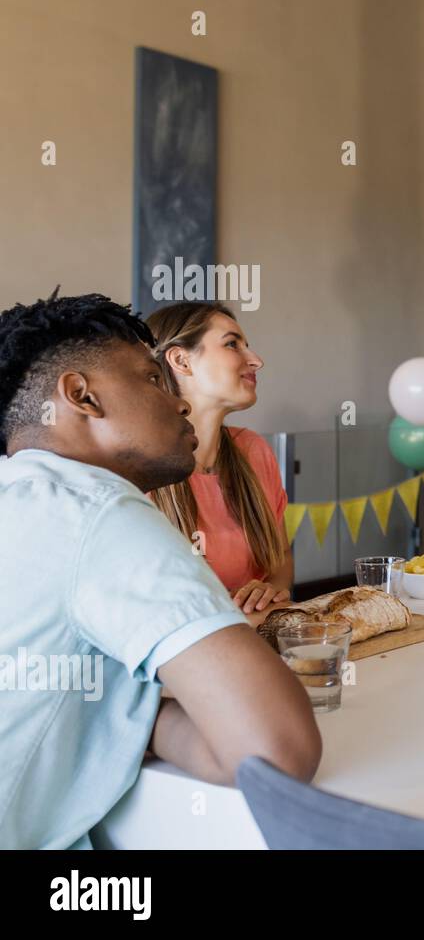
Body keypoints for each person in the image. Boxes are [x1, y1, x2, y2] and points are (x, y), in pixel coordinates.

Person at [0, 291, 320, 849]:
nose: (175, 401)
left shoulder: (22, 497)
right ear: (82, 396)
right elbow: (275, 752)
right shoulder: (98, 509)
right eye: (151, 379)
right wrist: (150, 720)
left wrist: (122, 710)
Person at [146, 303, 292, 617]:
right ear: (181, 360)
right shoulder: (138, 472)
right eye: (232, 344)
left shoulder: (252, 450)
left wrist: (271, 590)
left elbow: (280, 562)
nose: (256, 361)